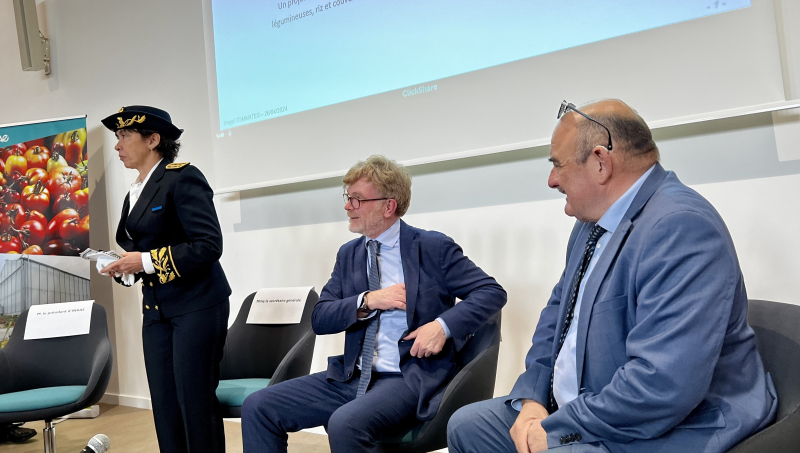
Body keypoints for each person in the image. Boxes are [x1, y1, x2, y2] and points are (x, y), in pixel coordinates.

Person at [447, 99, 777, 453]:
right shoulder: (590, 224)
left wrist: (557, 431)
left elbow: (662, 386)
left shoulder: (681, 227)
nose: (552, 180)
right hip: (588, 406)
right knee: (468, 427)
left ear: (600, 162)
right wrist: (532, 400)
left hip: (667, 424)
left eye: (557, 164)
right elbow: (556, 320)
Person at [241, 155, 506, 452]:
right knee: (259, 406)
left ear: (388, 206)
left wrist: (441, 327)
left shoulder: (432, 247)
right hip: (351, 375)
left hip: (407, 377)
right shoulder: (349, 254)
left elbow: (491, 292)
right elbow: (320, 318)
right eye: (347, 197)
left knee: (345, 423)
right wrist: (368, 300)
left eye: (357, 199)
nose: (347, 206)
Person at [100, 106, 231, 453]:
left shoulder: (182, 178)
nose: (117, 145)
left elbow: (208, 245)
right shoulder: (136, 190)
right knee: (165, 404)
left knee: (194, 402)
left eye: (125, 135)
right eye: (117, 137)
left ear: (153, 140)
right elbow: (141, 251)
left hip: (197, 305)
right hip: (156, 310)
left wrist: (143, 260)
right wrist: (124, 267)